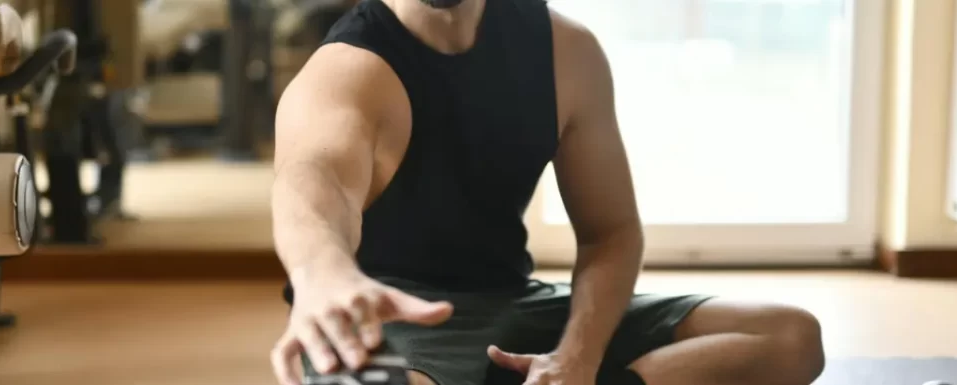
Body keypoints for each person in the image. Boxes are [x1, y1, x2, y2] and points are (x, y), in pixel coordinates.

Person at [268, 0, 827, 384]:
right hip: (395, 320)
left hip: (518, 306)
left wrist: (577, 358)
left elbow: (611, 233)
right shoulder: (345, 71)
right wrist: (322, 273)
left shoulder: (566, 51)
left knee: (789, 336)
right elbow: (312, 184)